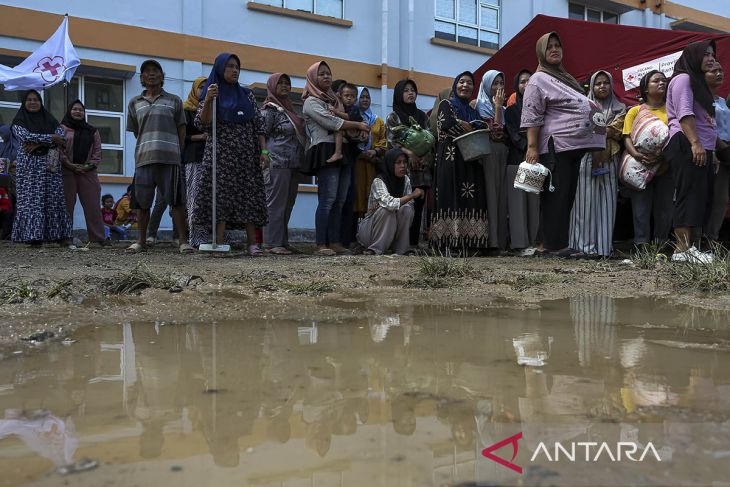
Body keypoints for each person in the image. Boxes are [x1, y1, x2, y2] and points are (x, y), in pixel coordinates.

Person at [521, 32, 606, 256]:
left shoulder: (564, 79)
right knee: (555, 196)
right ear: (541, 52)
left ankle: (550, 243)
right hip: (554, 146)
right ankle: (551, 246)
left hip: (571, 148)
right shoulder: (538, 79)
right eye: (549, 47)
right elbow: (532, 113)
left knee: (565, 196)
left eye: (558, 46)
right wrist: (532, 147)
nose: (555, 49)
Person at [194, 53, 269, 255]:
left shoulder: (247, 95)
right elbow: (203, 123)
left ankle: (252, 243)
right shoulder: (212, 93)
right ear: (219, 69)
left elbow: (259, 126)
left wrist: (263, 151)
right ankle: (218, 243)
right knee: (220, 197)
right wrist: (209, 100)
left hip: (246, 155)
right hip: (221, 156)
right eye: (229, 66)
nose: (235, 70)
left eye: (237, 66)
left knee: (249, 197)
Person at [301, 61, 369, 256]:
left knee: (340, 200)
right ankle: (321, 243)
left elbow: (346, 123)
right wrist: (357, 124)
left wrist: (358, 130)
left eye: (328, 74)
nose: (326, 77)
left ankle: (336, 241)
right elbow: (332, 122)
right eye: (321, 74)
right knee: (327, 199)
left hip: (345, 152)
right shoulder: (311, 102)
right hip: (326, 151)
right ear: (313, 78)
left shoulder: (334, 101)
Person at [126, 59, 193, 253]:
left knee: (177, 201)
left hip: (171, 159)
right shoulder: (134, 103)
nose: (151, 74)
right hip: (144, 159)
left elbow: (181, 128)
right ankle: (141, 241)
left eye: (156, 71)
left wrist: (178, 152)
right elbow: (137, 131)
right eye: (147, 72)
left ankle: (182, 241)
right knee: (142, 202)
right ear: (142, 78)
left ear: (162, 77)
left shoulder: (174, 100)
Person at [663, 40, 718, 262]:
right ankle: (681, 250)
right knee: (688, 194)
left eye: (713, 55)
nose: (711, 59)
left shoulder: (697, 83)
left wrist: (709, 150)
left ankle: (691, 249)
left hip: (700, 146)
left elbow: (708, 123)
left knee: (699, 197)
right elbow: (684, 114)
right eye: (706, 54)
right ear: (693, 57)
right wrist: (695, 143)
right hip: (686, 142)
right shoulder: (683, 79)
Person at [569, 71, 626, 258]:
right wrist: (603, 129)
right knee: (584, 204)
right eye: (598, 83)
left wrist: (597, 129)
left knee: (607, 204)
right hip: (586, 158)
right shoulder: (582, 106)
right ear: (592, 87)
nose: (602, 86)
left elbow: (616, 130)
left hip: (610, 157)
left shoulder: (620, 108)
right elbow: (579, 129)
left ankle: (603, 248)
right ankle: (583, 247)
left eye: (606, 83)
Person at [430, 71, 489, 251]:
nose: (465, 85)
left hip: (470, 160)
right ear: (455, 85)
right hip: (450, 159)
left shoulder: (473, 110)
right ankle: (447, 243)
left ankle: (470, 243)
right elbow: (447, 124)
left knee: (471, 198)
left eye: (469, 83)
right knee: (450, 195)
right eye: (461, 82)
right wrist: (469, 126)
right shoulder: (446, 103)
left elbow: (481, 126)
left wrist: (467, 125)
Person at [10, 90, 71, 246]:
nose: (33, 102)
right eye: (29, 100)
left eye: (36, 99)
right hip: (29, 168)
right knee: (31, 202)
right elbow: (25, 136)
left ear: (40, 102)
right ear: (24, 103)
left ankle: (59, 236)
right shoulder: (19, 121)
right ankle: (33, 237)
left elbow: (61, 137)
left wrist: (39, 143)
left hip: (49, 165)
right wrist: (50, 138)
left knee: (54, 199)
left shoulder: (49, 119)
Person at [622, 70, 674, 247]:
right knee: (640, 208)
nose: (662, 83)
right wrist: (637, 155)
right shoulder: (635, 111)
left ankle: (661, 245)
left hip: (665, 166)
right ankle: (641, 244)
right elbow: (627, 136)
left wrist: (662, 158)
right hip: (640, 165)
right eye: (656, 81)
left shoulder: (672, 109)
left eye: (663, 80)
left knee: (665, 207)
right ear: (645, 88)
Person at [261, 72, 305, 255]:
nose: (285, 86)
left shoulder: (289, 109)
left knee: (288, 204)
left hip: (293, 163)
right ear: (272, 86)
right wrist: (263, 153)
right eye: (281, 84)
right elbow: (261, 132)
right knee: (275, 204)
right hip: (276, 161)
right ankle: (271, 243)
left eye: (288, 83)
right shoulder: (270, 109)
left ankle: (282, 241)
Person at [386, 79, 433, 247]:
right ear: (399, 94)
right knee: (403, 204)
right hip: (403, 168)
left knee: (419, 206)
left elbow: (429, 139)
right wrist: (410, 153)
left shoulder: (421, 115)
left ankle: (413, 242)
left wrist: (423, 157)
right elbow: (392, 141)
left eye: (413, 90)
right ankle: (398, 242)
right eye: (406, 90)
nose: (410, 93)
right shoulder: (394, 116)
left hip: (421, 169)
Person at [60, 100, 107, 247]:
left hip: (88, 172)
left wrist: (86, 166)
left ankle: (97, 239)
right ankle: (65, 237)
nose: (78, 112)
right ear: (69, 111)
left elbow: (97, 153)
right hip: (67, 171)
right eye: (74, 109)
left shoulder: (92, 131)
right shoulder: (61, 128)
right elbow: (58, 150)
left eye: (80, 110)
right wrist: (70, 165)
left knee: (92, 205)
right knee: (67, 206)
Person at [356, 149, 422, 255]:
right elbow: (389, 203)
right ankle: (375, 248)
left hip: (392, 229)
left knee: (407, 209)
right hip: (370, 233)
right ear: (390, 164)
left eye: (405, 162)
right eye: (398, 162)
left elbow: (409, 205)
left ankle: (401, 249)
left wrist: (403, 203)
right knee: (386, 210)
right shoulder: (379, 180)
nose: (403, 166)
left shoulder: (405, 180)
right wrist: (412, 195)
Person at [504, 69, 540, 255]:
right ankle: (519, 244)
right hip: (517, 160)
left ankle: (533, 241)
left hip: (535, 161)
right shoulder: (510, 111)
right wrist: (530, 146)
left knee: (533, 203)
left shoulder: (540, 107)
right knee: (517, 205)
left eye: (529, 81)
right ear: (517, 86)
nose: (526, 85)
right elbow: (512, 135)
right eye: (522, 81)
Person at [476, 70, 509, 253]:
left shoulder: (503, 108)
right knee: (491, 193)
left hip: (502, 153)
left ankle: (501, 240)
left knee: (501, 194)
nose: (498, 88)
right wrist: (497, 108)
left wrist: (500, 108)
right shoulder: (480, 106)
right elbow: (496, 133)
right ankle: (491, 241)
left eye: (501, 83)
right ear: (487, 85)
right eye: (494, 84)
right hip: (488, 152)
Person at [351, 86, 386, 245]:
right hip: (356, 164)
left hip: (372, 165)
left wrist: (376, 151)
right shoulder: (353, 117)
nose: (365, 99)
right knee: (356, 197)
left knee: (370, 197)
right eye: (362, 97)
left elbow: (384, 141)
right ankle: (352, 238)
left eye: (367, 97)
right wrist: (360, 152)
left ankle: (369, 238)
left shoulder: (377, 120)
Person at [181, 76, 209, 247]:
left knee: (210, 198)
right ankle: (196, 238)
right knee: (195, 197)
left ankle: (212, 236)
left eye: (207, 87)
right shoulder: (187, 110)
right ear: (194, 89)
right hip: (193, 157)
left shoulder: (212, 109)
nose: (203, 91)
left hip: (210, 158)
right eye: (201, 87)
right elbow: (182, 137)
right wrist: (201, 137)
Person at [704, 62, 730, 244]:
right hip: (713, 149)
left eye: (721, 70)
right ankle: (705, 240)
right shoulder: (701, 99)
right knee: (712, 197)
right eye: (714, 71)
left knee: (721, 198)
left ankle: (712, 238)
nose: (719, 73)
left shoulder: (722, 100)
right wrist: (720, 148)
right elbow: (704, 127)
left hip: (727, 150)